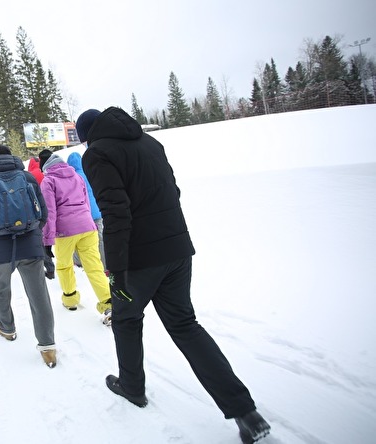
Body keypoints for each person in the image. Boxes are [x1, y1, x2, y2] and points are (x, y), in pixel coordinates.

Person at [77, 107, 271, 443]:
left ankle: (132, 387)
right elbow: (173, 192)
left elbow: (115, 212)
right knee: (185, 325)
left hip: (140, 259)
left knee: (125, 319)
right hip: (178, 250)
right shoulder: (150, 143)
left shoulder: (97, 154)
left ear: (88, 136)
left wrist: (117, 269)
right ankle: (245, 413)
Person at [0, 145, 57, 368]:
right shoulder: (27, 177)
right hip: (30, 247)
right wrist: (31, 233)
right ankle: (47, 346)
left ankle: (7, 328)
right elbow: (43, 214)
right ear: (11, 158)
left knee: (0, 290)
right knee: (39, 295)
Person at [38, 149, 112, 326]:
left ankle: (70, 299)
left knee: (64, 266)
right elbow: (86, 203)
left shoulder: (48, 181)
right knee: (94, 266)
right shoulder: (77, 177)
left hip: (65, 231)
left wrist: (47, 241)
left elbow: (50, 212)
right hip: (87, 226)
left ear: (47, 167)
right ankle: (108, 302)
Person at [67, 152, 106, 271]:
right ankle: (105, 264)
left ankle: (78, 261)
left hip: (83, 214)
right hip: (97, 212)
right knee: (100, 238)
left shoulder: (72, 178)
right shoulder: (89, 173)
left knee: (80, 239)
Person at [28, 156, 55, 280]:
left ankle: (49, 268)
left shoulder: (29, 176)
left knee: (40, 241)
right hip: (49, 208)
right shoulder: (46, 173)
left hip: (36, 212)